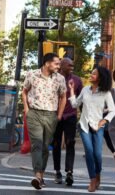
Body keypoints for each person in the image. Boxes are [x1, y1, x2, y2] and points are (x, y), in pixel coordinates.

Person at [22, 53, 67, 190]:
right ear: (47, 63)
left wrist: (59, 115)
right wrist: (26, 110)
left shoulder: (60, 78)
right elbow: (24, 91)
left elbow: (63, 97)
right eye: (56, 63)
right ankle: (37, 175)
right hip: (34, 113)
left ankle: (40, 175)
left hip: (50, 115)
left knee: (45, 146)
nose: (59, 66)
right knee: (37, 144)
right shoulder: (32, 74)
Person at [68, 66, 115, 192]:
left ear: (100, 78)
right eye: (92, 73)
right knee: (89, 152)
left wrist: (104, 121)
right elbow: (74, 104)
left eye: (94, 74)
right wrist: (72, 90)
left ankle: (98, 173)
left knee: (97, 155)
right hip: (84, 126)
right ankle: (93, 179)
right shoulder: (85, 90)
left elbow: (112, 111)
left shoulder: (106, 93)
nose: (91, 75)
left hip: (98, 127)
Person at [52, 58, 83, 186]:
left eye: (72, 65)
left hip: (70, 116)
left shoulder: (77, 80)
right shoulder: (54, 78)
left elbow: (81, 99)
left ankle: (69, 172)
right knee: (56, 143)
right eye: (69, 65)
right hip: (55, 116)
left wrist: (84, 118)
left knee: (70, 143)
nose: (72, 66)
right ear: (62, 65)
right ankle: (57, 172)